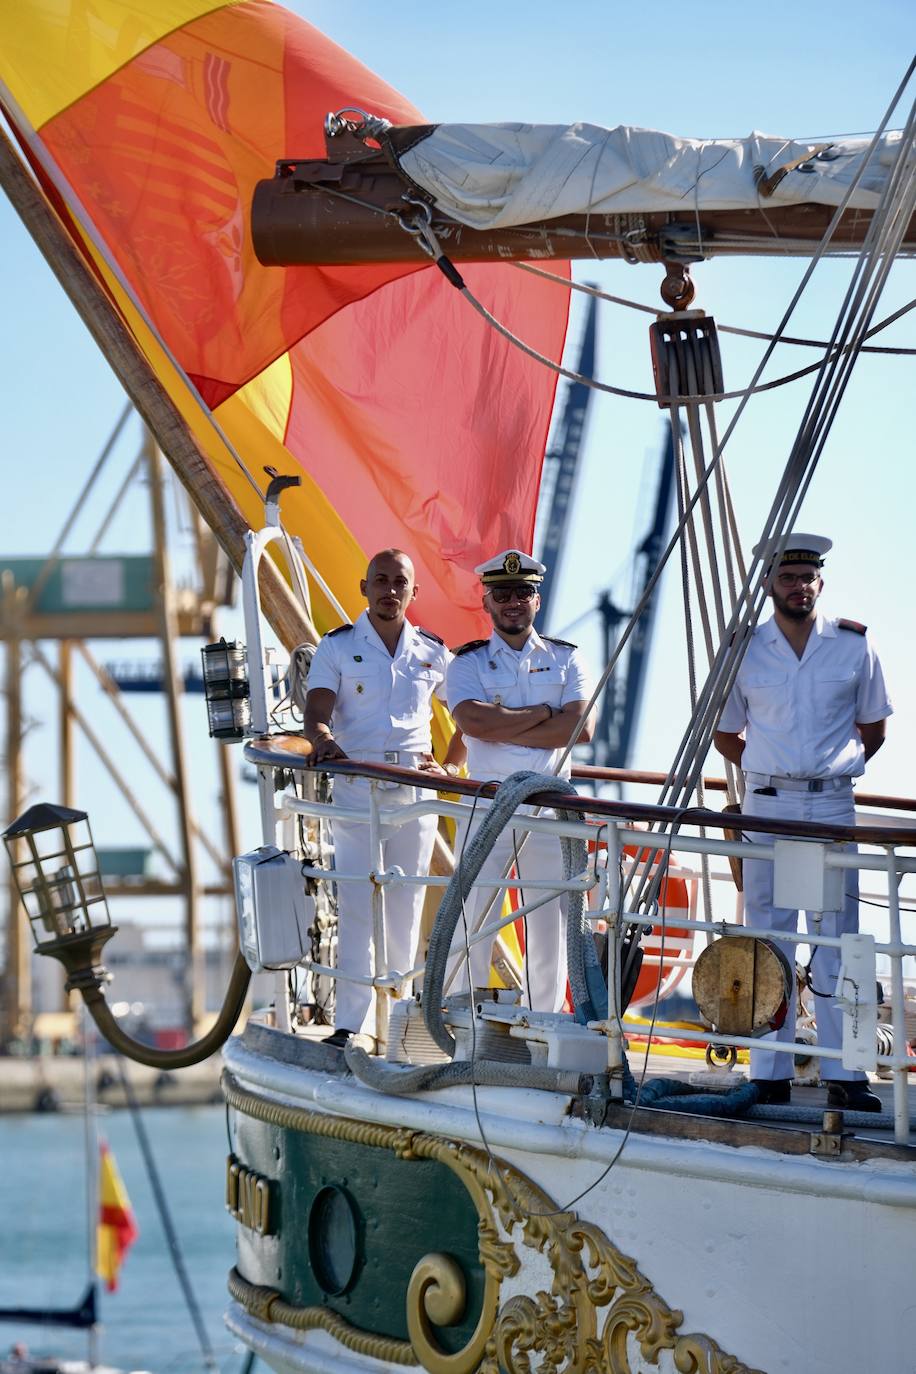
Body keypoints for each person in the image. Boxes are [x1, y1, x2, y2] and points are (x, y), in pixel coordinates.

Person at [714, 533, 892, 1111]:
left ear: (821, 582)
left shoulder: (852, 646)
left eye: (807, 577)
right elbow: (725, 732)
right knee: (771, 938)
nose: (798, 586)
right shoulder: (744, 649)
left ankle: (848, 1075)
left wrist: (830, 771)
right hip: (769, 805)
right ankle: (770, 1073)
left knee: (840, 936)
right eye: (787, 578)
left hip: (832, 805)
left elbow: (874, 728)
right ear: (770, 585)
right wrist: (772, 769)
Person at [304, 549, 463, 1045]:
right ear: (364, 587)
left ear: (413, 593)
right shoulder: (337, 647)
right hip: (357, 790)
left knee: (405, 906)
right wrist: (323, 739)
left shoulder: (433, 651)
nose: (390, 590)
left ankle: (399, 1025)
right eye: (381, 581)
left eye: (400, 583)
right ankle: (350, 1026)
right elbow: (317, 709)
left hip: (414, 794)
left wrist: (453, 764)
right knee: (355, 904)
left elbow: (468, 711)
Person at [446, 549, 595, 1011]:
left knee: (547, 917)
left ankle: (541, 1019)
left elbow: (579, 729)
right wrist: (543, 715)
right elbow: (472, 723)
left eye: (523, 592)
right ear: (486, 602)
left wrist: (501, 721)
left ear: (537, 599)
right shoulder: (465, 663)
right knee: (473, 910)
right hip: (488, 800)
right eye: (503, 593)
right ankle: (458, 1009)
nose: (513, 601)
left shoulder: (566, 659)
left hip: (548, 803)